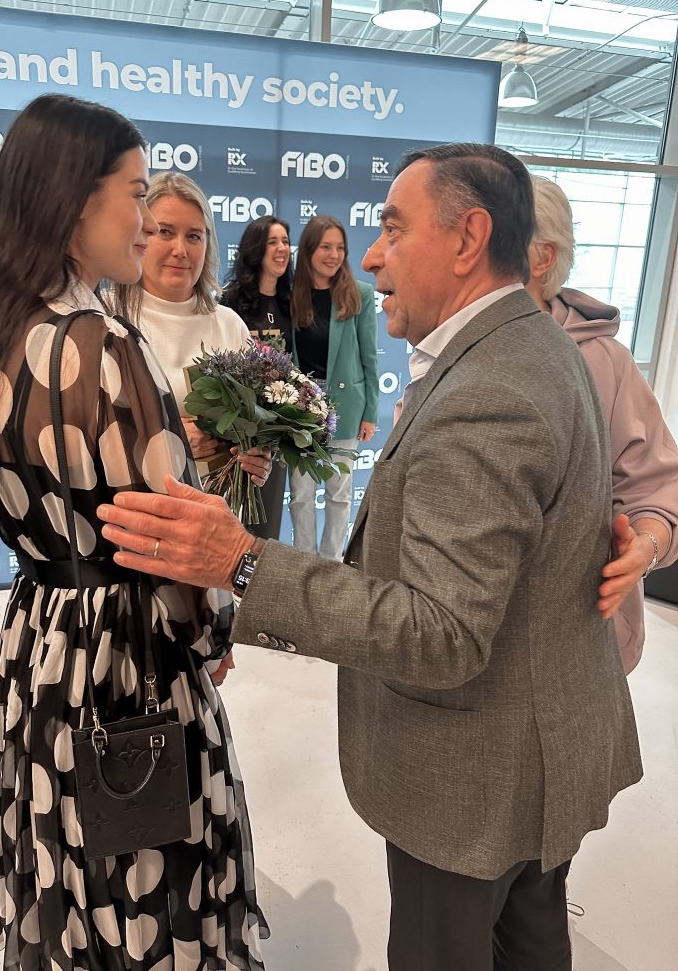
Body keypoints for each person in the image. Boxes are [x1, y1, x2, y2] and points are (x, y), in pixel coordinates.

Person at [98, 143, 643, 971]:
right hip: (536, 759)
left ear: (468, 238)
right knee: (531, 941)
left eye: (393, 228)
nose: (373, 256)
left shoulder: (488, 391)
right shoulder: (534, 345)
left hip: (477, 786)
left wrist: (243, 562)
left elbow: (441, 634)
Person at [0, 93, 267, 971]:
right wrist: (210, 633)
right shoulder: (104, 343)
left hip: (44, 643)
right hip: (127, 652)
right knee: (148, 874)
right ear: (76, 197)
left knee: (68, 859)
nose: (144, 219)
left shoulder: (0, 331)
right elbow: (168, 536)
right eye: (134, 193)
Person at [528, 175, 678, 673]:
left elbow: (656, 488)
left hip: (572, 646)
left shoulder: (604, 363)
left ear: (542, 257)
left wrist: (643, 548)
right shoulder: (441, 348)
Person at [113, 171, 270, 490]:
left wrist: (259, 457)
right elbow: (81, 437)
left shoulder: (229, 325)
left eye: (194, 236)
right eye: (165, 232)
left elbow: (254, 428)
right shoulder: (107, 318)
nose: (180, 249)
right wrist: (169, 440)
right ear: (140, 234)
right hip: (133, 508)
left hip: (219, 507)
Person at [287, 215, 379, 559]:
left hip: (346, 406)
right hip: (299, 407)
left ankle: (329, 565)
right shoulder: (291, 295)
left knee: (339, 494)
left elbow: (370, 357)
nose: (334, 254)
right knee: (301, 494)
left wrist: (370, 413)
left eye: (340, 247)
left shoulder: (359, 294)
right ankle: (304, 562)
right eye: (326, 246)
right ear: (309, 250)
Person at [223, 215, 294, 540]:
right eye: (273, 242)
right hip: (235, 430)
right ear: (256, 249)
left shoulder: (290, 301)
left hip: (274, 429)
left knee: (268, 520)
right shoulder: (230, 301)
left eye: (285, 242)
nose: (282, 249)